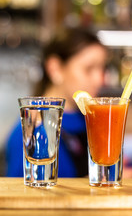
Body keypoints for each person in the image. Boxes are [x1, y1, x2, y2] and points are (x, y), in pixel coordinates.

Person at [6, 27, 107, 177]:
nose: (100, 80)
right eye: (89, 69)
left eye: (103, 69)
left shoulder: (86, 120)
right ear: (55, 68)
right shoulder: (34, 129)